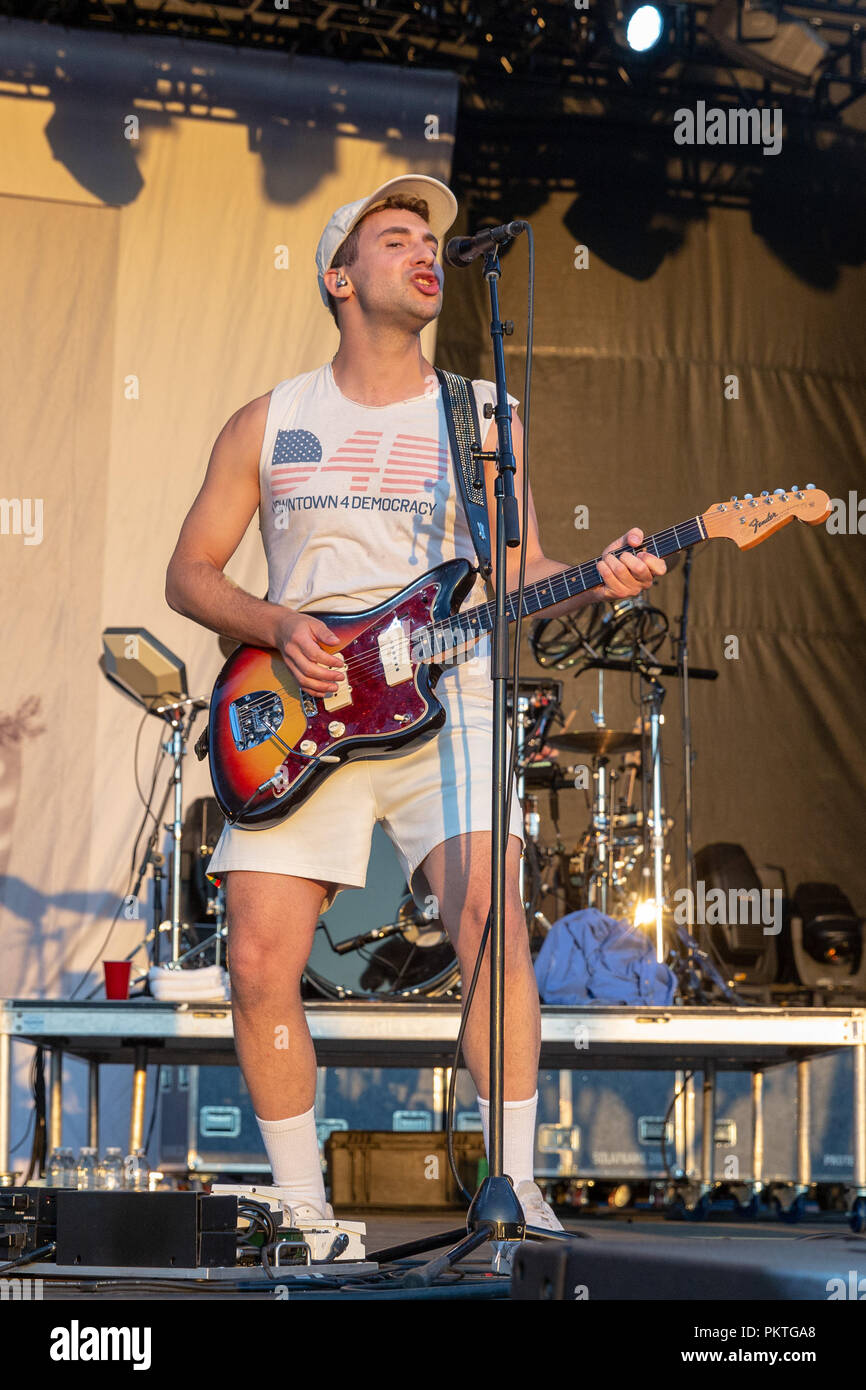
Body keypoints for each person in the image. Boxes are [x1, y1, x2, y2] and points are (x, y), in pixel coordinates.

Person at [165, 174, 666, 1237]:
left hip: (449, 692)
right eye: (395, 237)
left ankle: (517, 1186)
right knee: (256, 955)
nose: (424, 250)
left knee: (491, 922)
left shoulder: (485, 415)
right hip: (301, 703)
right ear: (339, 278)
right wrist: (275, 625)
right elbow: (191, 574)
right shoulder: (271, 418)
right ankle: (302, 1204)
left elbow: (521, 561)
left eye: (430, 238)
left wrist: (597, 573)